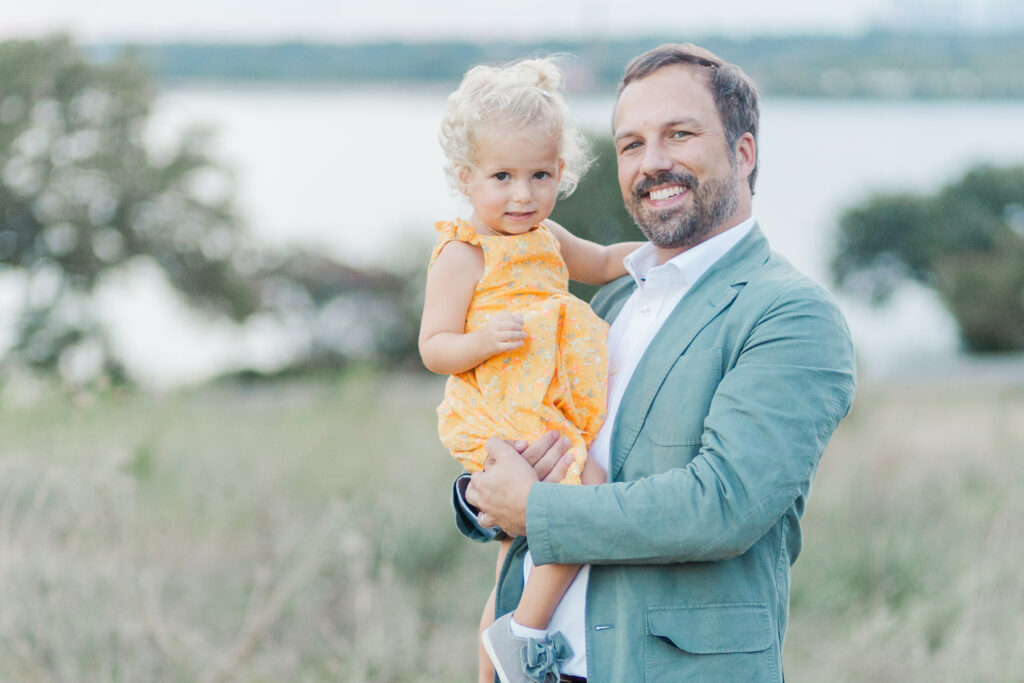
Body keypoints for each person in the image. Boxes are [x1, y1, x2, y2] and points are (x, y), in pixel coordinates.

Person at [457, 43, 858, 681]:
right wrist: (486, 494)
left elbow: (722, 505)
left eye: (680, 134)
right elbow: (536, 441)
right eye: (631, 144)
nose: (654, 162)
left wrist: (534, 510)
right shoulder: (607, 300)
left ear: (743, 152)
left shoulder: (790, 314)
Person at [419, 58, 642, 683]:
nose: (523, 194)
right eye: (502, 177)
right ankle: (524, 633)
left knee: (518, 548)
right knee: (584, 486)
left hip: (546, 402)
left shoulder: (546, 235)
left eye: (540, 175)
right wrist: (483, 339)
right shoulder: (465, 252)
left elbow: (599, 261)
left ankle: (499, 656)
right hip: (501, 406)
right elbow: (434, 346)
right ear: (466, 177)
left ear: (560, 173)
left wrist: (659, 254)